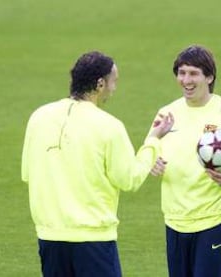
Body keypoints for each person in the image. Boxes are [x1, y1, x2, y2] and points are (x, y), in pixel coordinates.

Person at [21, 51, 174, 277]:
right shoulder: (109, 126)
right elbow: (129, 179)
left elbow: (28, 173)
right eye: (114, 81)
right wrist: (153, 141)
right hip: (93, 241)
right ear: (100, 83)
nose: (114, 88)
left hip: (50, 238)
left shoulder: (38, 117)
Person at [147, 45, 221, 277]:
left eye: (194, 73)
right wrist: (152, 163)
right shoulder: (166, 114)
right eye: (182, 72)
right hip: (175, 219)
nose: (186, 80)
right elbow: (149, 149)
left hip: (212, 219)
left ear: (209, 76)